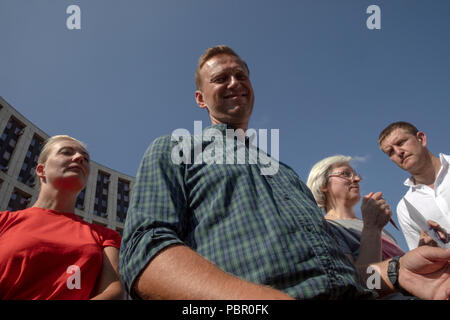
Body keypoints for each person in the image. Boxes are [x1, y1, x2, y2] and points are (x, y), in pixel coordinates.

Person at [119, 45, 450, 300]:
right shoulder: (176, 149)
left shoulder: (287, 173)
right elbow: (144, 257)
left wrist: (396, 271)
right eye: (221, 78)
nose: (234, 83)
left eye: (241, 76)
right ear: (200, 99)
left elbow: (336, 272)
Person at [0, 135, 124, 299]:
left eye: (85, 159)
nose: (80, 158)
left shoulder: (105, 237)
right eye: (66, 152)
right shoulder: (4, 221)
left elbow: (113, 292)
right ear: (41, 170)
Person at [306, 155, 405, 268]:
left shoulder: (380, 228)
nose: (357, 179)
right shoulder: (325, 228)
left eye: (355, 175)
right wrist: (372, 228)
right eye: (345, 174)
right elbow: (358, 282)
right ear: (323, 184)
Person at [378, 121, 450, 250]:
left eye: (401, 142)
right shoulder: (405, 208)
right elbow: (422, 258)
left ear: (421, 139)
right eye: (390, 152)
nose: (398, 152)